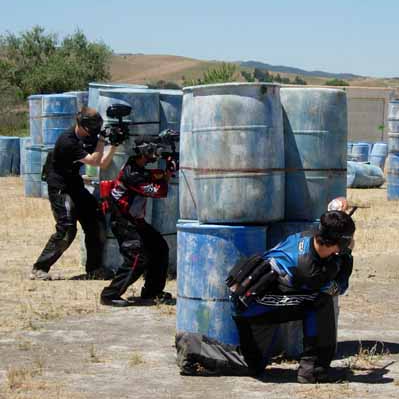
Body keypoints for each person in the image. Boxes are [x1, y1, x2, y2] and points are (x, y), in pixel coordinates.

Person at [176, 203, 356, 384]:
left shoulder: (306, 236)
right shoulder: (310, 272)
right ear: (338, 243)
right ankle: (314, 370)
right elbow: (338, 287)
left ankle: (192, 346)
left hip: (252, 297)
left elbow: (326, 260)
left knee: (252, 365)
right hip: (255, 307)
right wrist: (347, 255)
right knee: (321, 301)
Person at [30, 107, 117, 280]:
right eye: (91, 129)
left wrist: (114, 145)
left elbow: (102, 164)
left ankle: (94, 269)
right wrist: (101, 139)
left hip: (75, 185)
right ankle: (40, 268)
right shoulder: (67, 140)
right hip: (60, 187)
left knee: (96, 222)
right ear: (81, 125)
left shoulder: (88, 137)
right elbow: (94, 160)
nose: (94, 132)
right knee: (67, 228)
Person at [99, 139, 175, 307]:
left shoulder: (137, 168)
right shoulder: (133, 175)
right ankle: (110, 295)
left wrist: (168, 170)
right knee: (136, 257)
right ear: (143, 153)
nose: (154, 154)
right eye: (151, 151)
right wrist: (168, 173)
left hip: (134, 220)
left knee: (159, 248)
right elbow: (159, 191)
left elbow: (154, 175)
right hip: (123, 221)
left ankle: (152, 291)